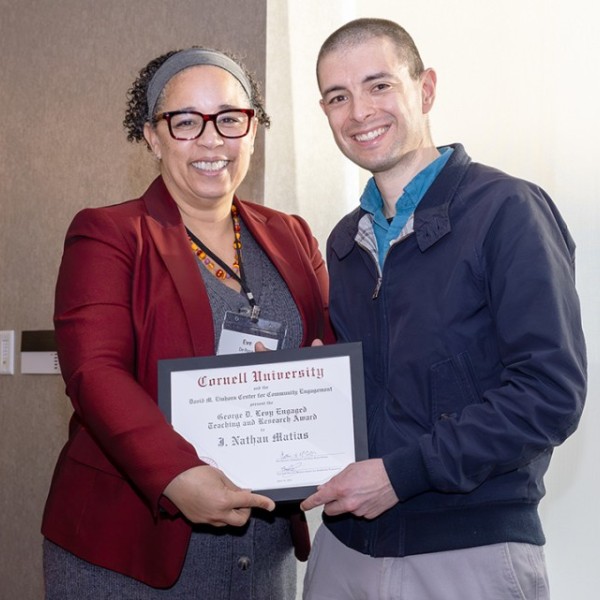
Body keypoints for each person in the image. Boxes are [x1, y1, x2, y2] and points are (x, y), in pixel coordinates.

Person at [300, 18, 587, 600]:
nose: (359, 111)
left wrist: (401, 475)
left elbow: (549, 394)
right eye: (338, 96)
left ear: (425, 90)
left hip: (468, 552)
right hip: (344, 550)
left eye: (379, 85)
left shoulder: (507, 210)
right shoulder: (342, 241)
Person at [41, 46, 332, 599]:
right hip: (131, 548)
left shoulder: (292, 235)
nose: (211, 139)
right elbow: (94, 374)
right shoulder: (107, 234)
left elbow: (328, 351)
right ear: (152, 136)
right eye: (184, 122)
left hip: (261, 546)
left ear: (252, 130)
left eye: (229, 118)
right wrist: (177, 476)